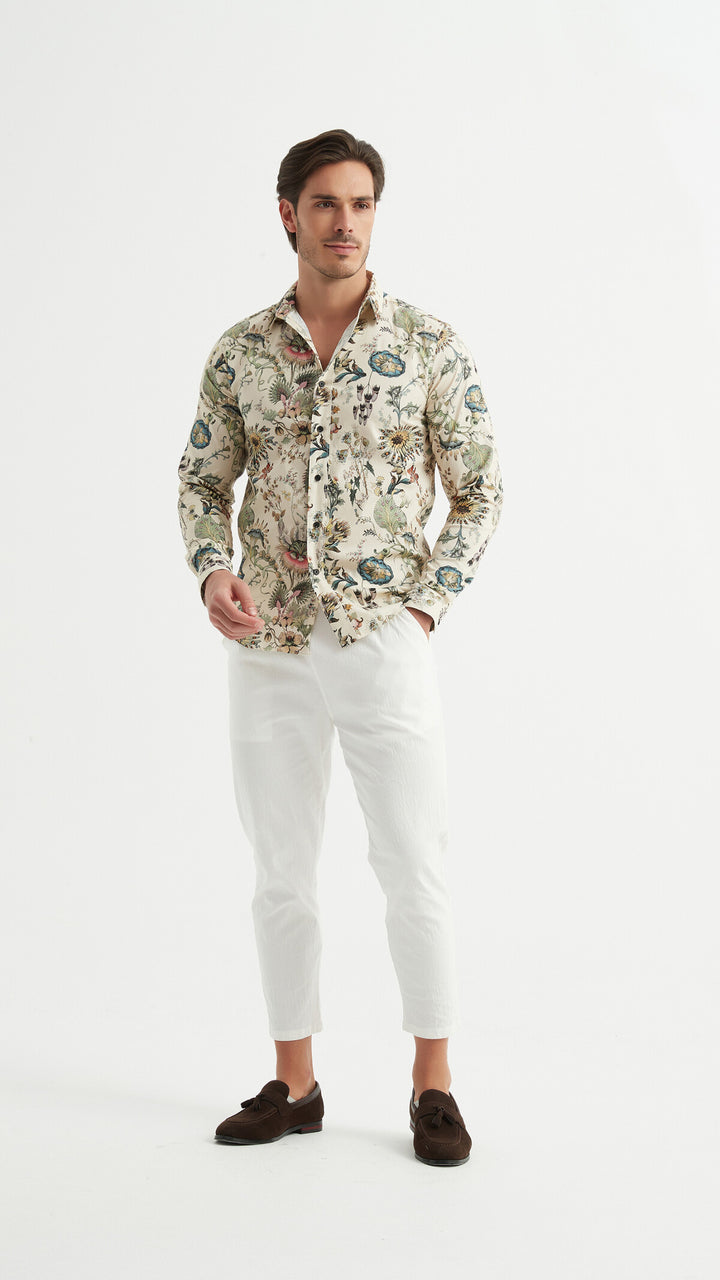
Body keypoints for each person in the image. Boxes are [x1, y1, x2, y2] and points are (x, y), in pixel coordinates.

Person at [177, 128, 503, 1166]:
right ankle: (295, 1080)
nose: (346, 222)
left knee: (413, 859)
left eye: (361, 203)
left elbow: (482, 490)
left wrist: (423, 609)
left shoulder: (428, 343)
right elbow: (201, 479)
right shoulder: (241, 350)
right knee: (280, 867)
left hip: (381, 638)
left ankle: (433, 1082)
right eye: (325, 203)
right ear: (289, 214)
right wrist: (211, 569)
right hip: (267, 639)